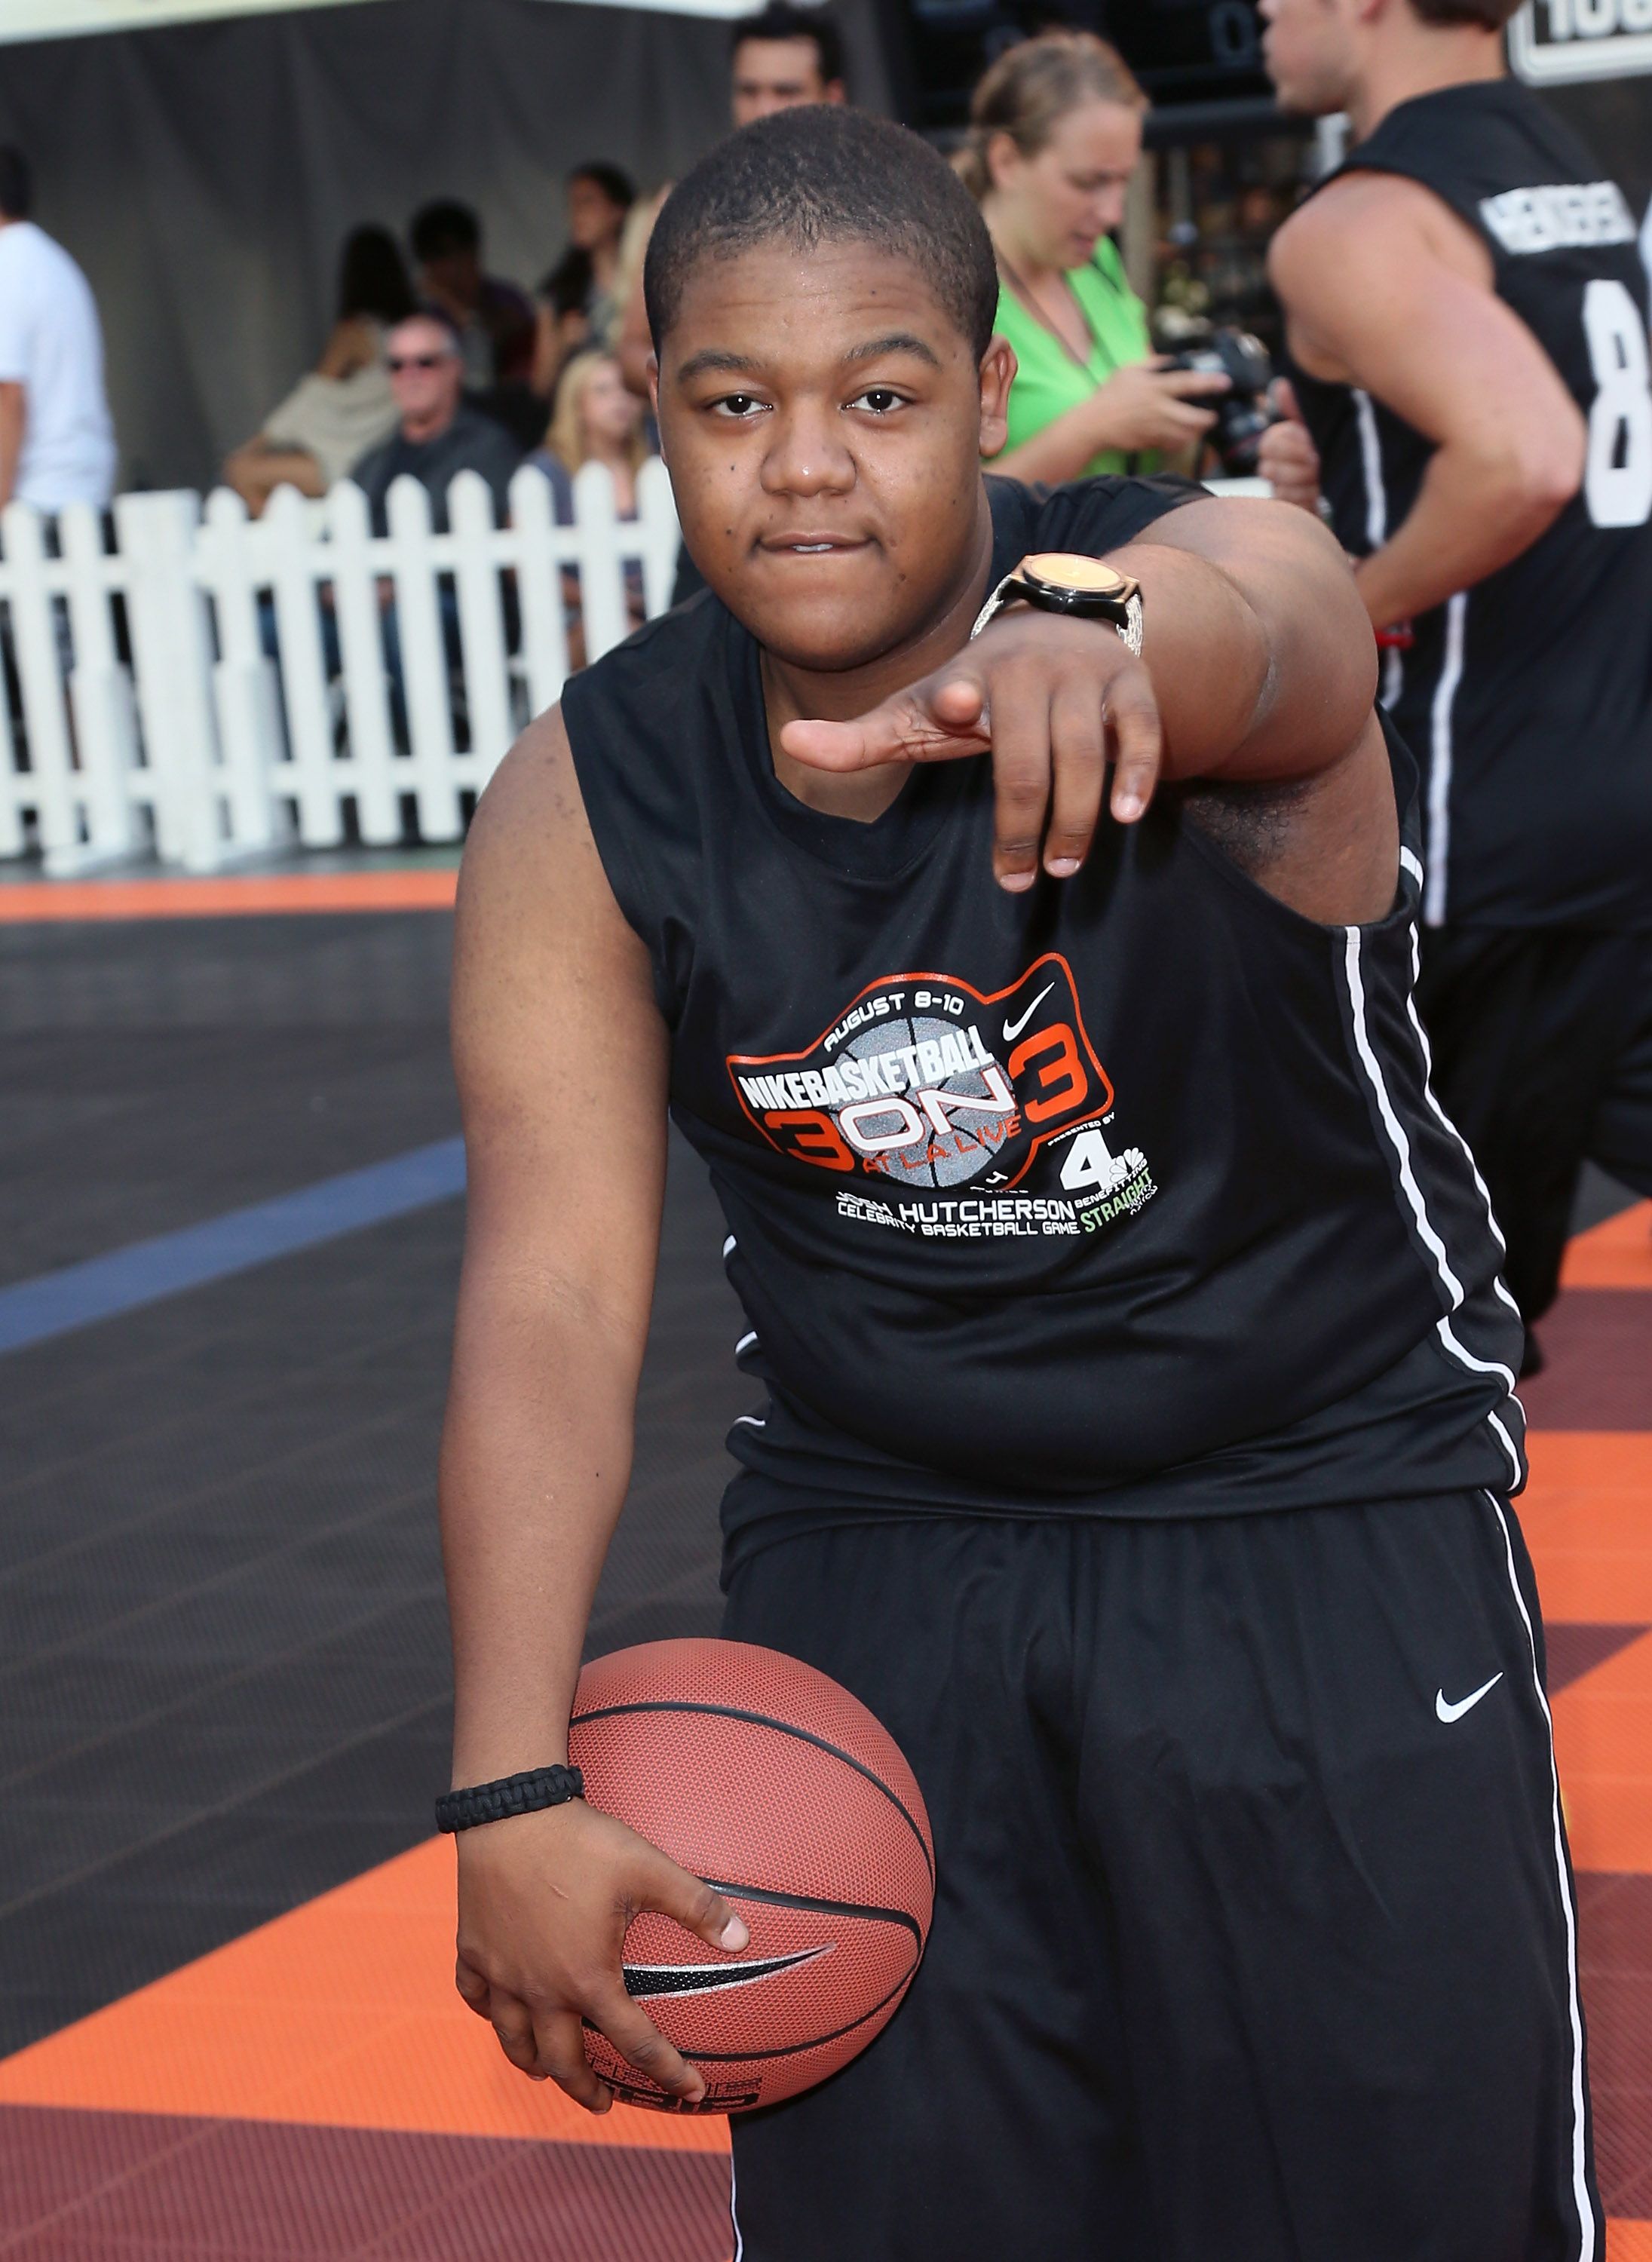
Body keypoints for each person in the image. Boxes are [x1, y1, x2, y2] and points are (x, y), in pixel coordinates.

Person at [440, 105, 1595, 2262]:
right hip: (881, 1573)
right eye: (731, 404)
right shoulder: (584, 801)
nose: (803, 464)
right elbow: (552, 1297)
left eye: (876, 397)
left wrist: (1092, 627)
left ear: (984, 399)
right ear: (651, 426)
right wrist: (504, 1785)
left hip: (1310, 1529)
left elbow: (1295, 630)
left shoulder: (1182, 585)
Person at [1258, 0, 1652, 1363]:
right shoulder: (1567, 177)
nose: (1256, 11)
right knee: (1460, 1290)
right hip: (1598, 793)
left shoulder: (1359, 221)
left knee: (1398, 1309)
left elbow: (1527, 453)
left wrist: (1344, 609)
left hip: (1464, 833)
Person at [958, 32, 1230, 483]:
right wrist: (1093, 428)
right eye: (1088, 183)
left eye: (1123, 181)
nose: (1112, 213)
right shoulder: (949, 286)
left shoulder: (1096, 258)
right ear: (1005, 160)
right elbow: (943, 513)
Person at [615, 3, 848, 401]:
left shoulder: (876, 198)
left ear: (832, 95)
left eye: (785, 91)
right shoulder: (689, 202)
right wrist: (711, 382)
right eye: (749, 90)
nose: (764, 109)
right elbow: (632, 351)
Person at [222, 225, 414, 513]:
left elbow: (313, 395)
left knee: (240, 472)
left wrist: (259, 442)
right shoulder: (412, 335)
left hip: (345, 461)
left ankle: (286, 553)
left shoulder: (355, 333)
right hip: (381, 457)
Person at [0, 146, 116, 513]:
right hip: (78, 483)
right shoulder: (48, 260)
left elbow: (8, 399)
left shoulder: (8, 267)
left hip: (35, 495)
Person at [348, 308, 521, 534]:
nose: (410, 375)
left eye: (425, 362)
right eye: (397, 365)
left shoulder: (489, 449)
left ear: (454, 368)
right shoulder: (373, 462)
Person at [528, 349, 651, 647]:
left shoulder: (655, 464)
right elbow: (523, 568)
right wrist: (604, 597)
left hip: (658, 609)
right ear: (577, 405)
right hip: (574, 619)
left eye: (625, 389)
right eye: (603, 391)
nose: (619, 399)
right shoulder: (546, 472)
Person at [409, 199, 536, 391]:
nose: (436, 269)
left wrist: (453, 304)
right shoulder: (428, 317)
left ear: (471, 252)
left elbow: (506, 334)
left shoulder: (507, 297)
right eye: (429, 259)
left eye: (443, 255)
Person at [532, 164, 636, 396]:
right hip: (582, 415)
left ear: (618, 210)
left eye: (587, 202)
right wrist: (562, 344)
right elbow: (540, 387)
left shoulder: (644, 281)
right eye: (572, 204)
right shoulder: (559, 291)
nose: (576, 213)